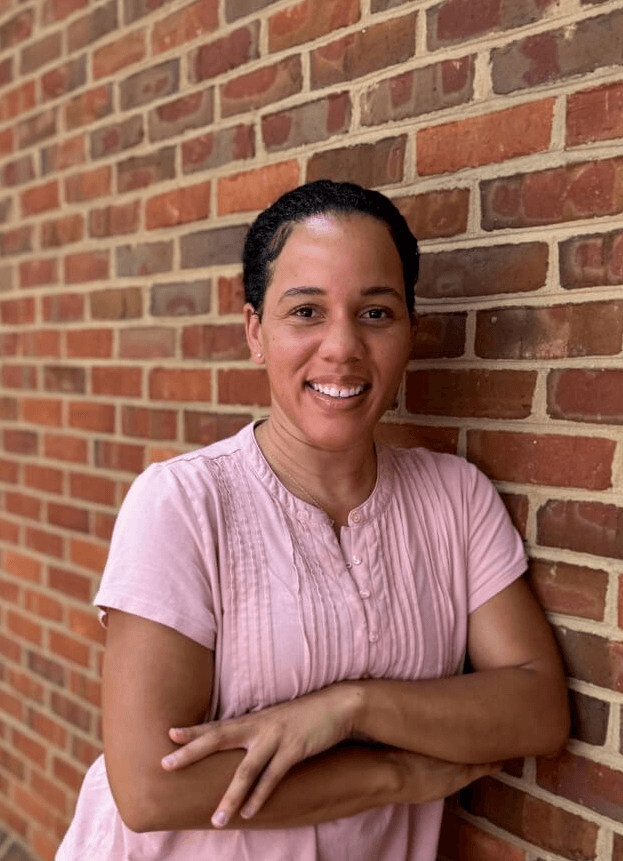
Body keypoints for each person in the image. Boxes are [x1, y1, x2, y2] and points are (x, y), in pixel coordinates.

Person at [56, 180, 569, 861]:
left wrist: (351, 707)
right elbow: (151, 789)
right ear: (255, 332)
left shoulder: (456, 497)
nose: (342, 346)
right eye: (305, 311)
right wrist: (395, 773)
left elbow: (537, 709)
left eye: (376, 313)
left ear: (410, 331)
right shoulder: (185, 502)